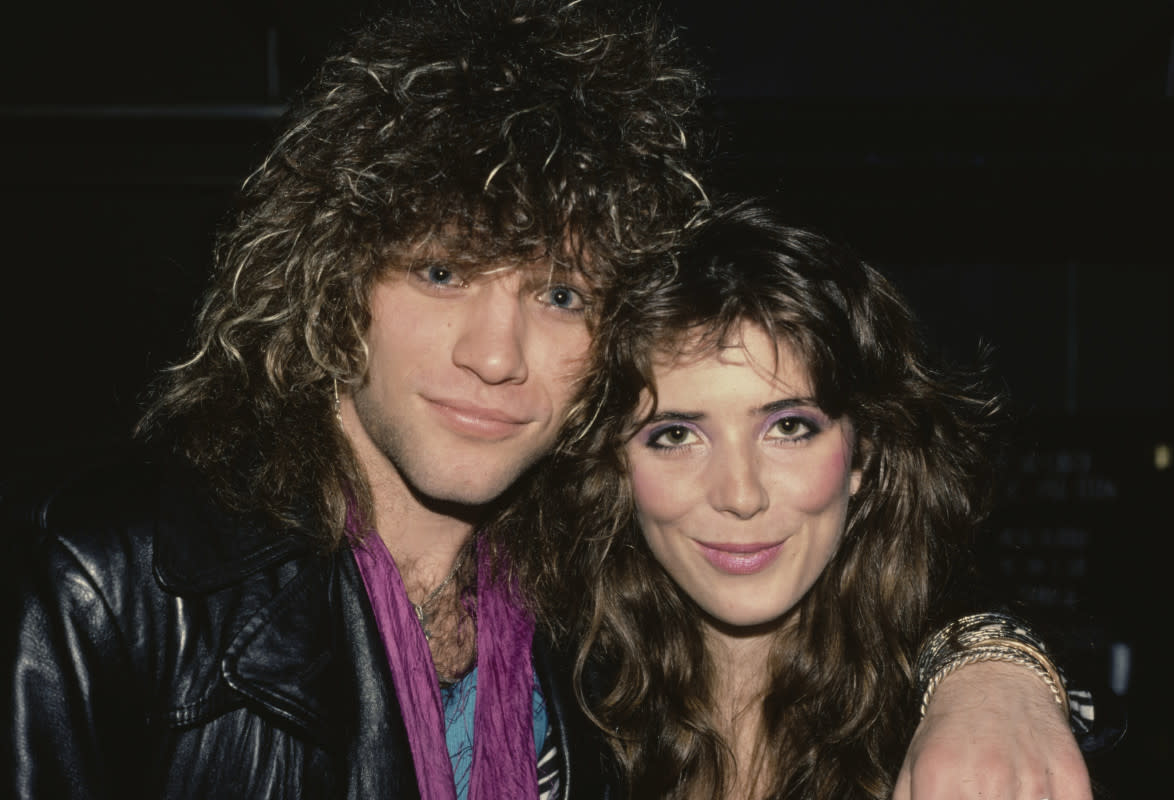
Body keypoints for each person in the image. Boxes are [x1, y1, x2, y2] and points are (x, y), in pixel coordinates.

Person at [3, 2, 1093, 798]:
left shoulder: (591, 609)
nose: (496, 353)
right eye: (441, 270)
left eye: (560, 292)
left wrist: (991, 664)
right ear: (336, 283)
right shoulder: (130, 578)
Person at [523, 200, 1094, 799]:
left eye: (789, 428)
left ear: (862, 457)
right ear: (615, 465)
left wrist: (990, 668)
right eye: (676, 436)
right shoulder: (543, 722)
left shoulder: (968, 750)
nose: (740, 495)